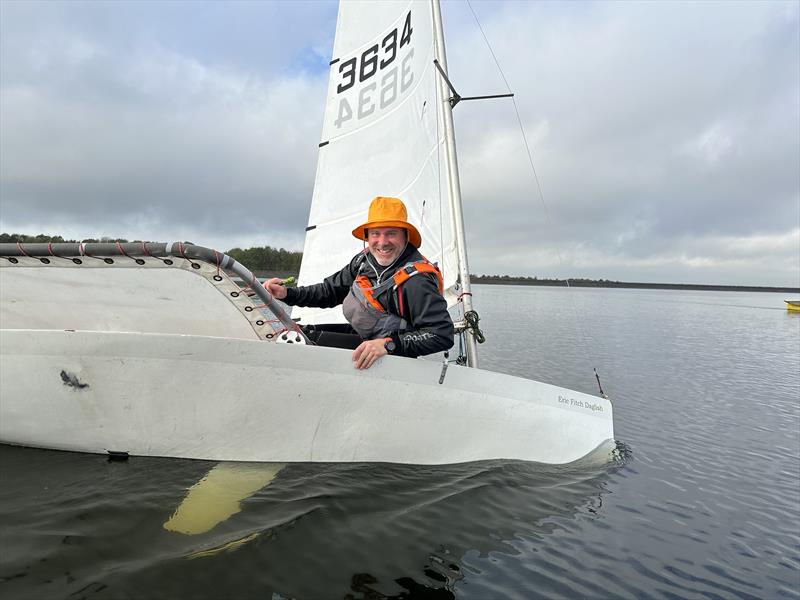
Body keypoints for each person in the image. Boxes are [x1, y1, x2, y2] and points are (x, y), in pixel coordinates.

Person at [264, 196, 454, 370]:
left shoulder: (417, 281)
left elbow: (441, 334)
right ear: (367, 236)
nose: (382, 242)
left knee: (305, 344)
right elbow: (329, 291)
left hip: (392, 357)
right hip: (365, 338)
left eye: (391, 234)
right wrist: (287, 294)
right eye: (375, 234)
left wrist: (389, 344)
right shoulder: (363, 261)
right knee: (298, 335)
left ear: (405, 236)